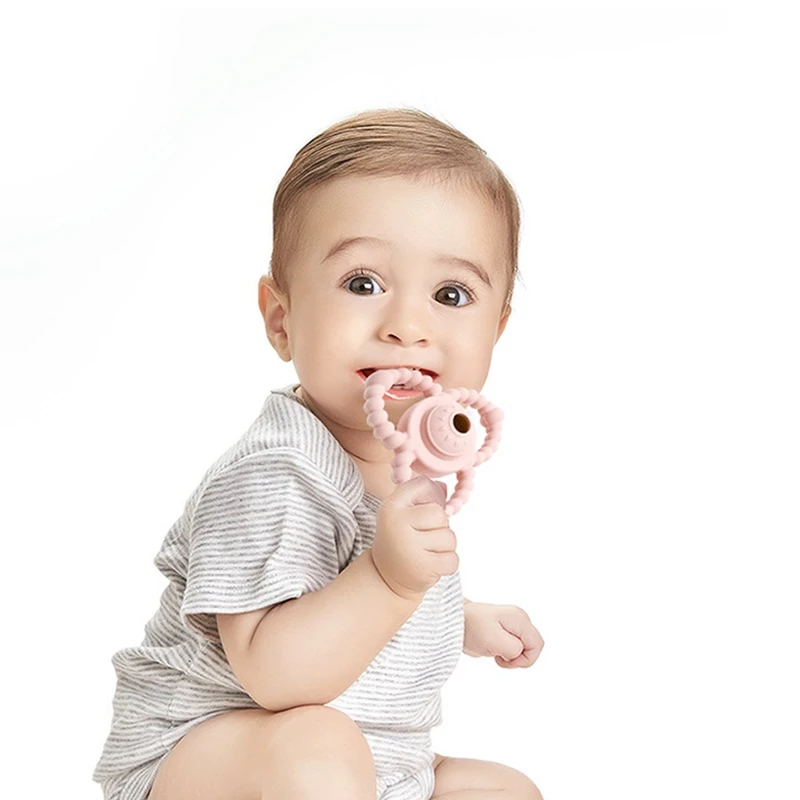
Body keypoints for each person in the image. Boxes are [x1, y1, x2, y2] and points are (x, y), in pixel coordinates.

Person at [93, 107, 546, 800]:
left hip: (371, 759)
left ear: (497, 328)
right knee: (317, 744)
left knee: (502, 790)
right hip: (212, 754)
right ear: (283, 319)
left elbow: (339, 599)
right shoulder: (273, 472)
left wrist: (456, 615)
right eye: (363, 284)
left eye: (451, 294)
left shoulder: (414, 459)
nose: (407, 327)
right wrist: (392, 582)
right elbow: (277, 676)